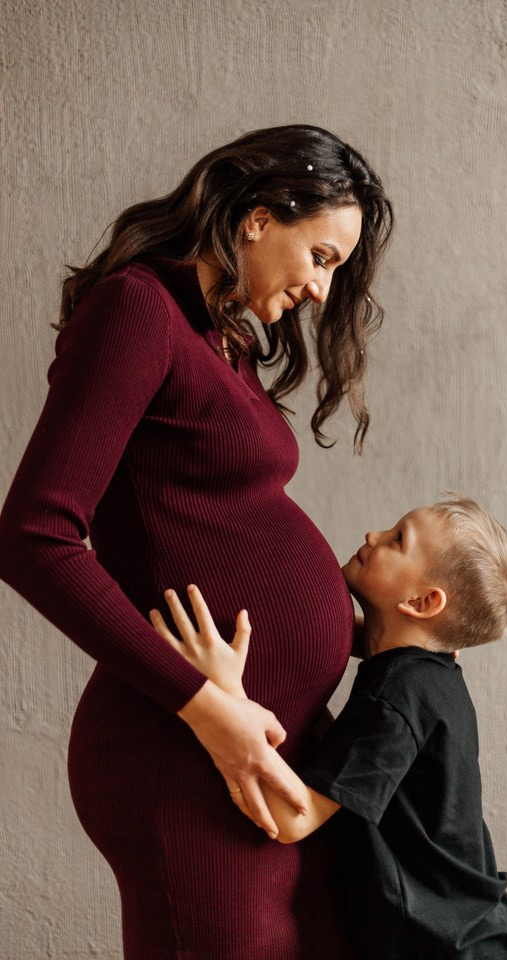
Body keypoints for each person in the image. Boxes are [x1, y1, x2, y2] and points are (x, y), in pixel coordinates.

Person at [0, 125, 393, 960]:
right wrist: (209, 707)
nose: (323, 290)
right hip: (181, 753)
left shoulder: (224, 339)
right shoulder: (138, 308)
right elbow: (34, 537)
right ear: (257, 217)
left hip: (260, 755)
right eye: (320, 255)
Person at [151, 496, 507, 960]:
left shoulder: (397, 699)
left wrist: (225, 690)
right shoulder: (428, 672)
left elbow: (291, 820)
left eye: (397, 539)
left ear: (421, 602)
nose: (372, 537)